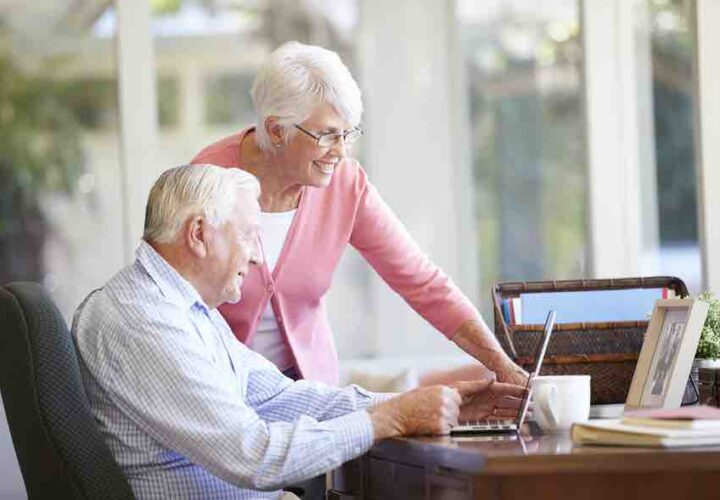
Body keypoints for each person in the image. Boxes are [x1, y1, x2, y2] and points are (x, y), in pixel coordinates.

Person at [71, 164, 525, 499]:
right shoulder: (143, 320)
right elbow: (255, 454)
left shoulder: (186, 310)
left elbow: (278, 398)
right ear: (198, 234)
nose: (256, 257)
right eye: (249, 235)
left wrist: (432, 407)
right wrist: (391, 419)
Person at [191, 41, 526, 387]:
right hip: (221, 389)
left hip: (310, 393)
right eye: (327, 135)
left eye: (347, 134)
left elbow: (422, 282)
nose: (340, 151)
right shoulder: (207, 180)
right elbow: (169, 296)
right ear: (277, 130)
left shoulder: (345, 185)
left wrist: (503, 366)